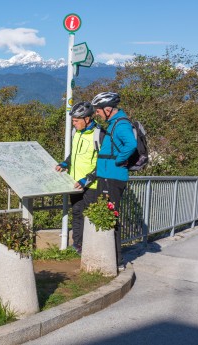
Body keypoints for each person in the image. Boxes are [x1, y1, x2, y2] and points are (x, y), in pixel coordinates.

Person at [92, 91, 137, 270]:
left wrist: (119, 160)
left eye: (98, 110)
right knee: (106, 216)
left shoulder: (120, 124)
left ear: (108, 109)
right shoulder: (113, 123)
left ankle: (116, 260)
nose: (97, 113)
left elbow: (131, 145)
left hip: (113, 177)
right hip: (106, 176)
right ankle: (108, 255)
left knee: (111, 216)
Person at [55, 101, 104, 255]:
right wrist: (65, 163)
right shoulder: (76, 133)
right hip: (75, 183)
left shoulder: (99, 134)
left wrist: (88, 179)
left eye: (76, 120)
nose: (73, 123)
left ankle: (92, 248)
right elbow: (75, 154)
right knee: (77, 213)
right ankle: (78, 245)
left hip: (92, 185)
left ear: (87, 119)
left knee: (90, 217)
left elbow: (104, 162)